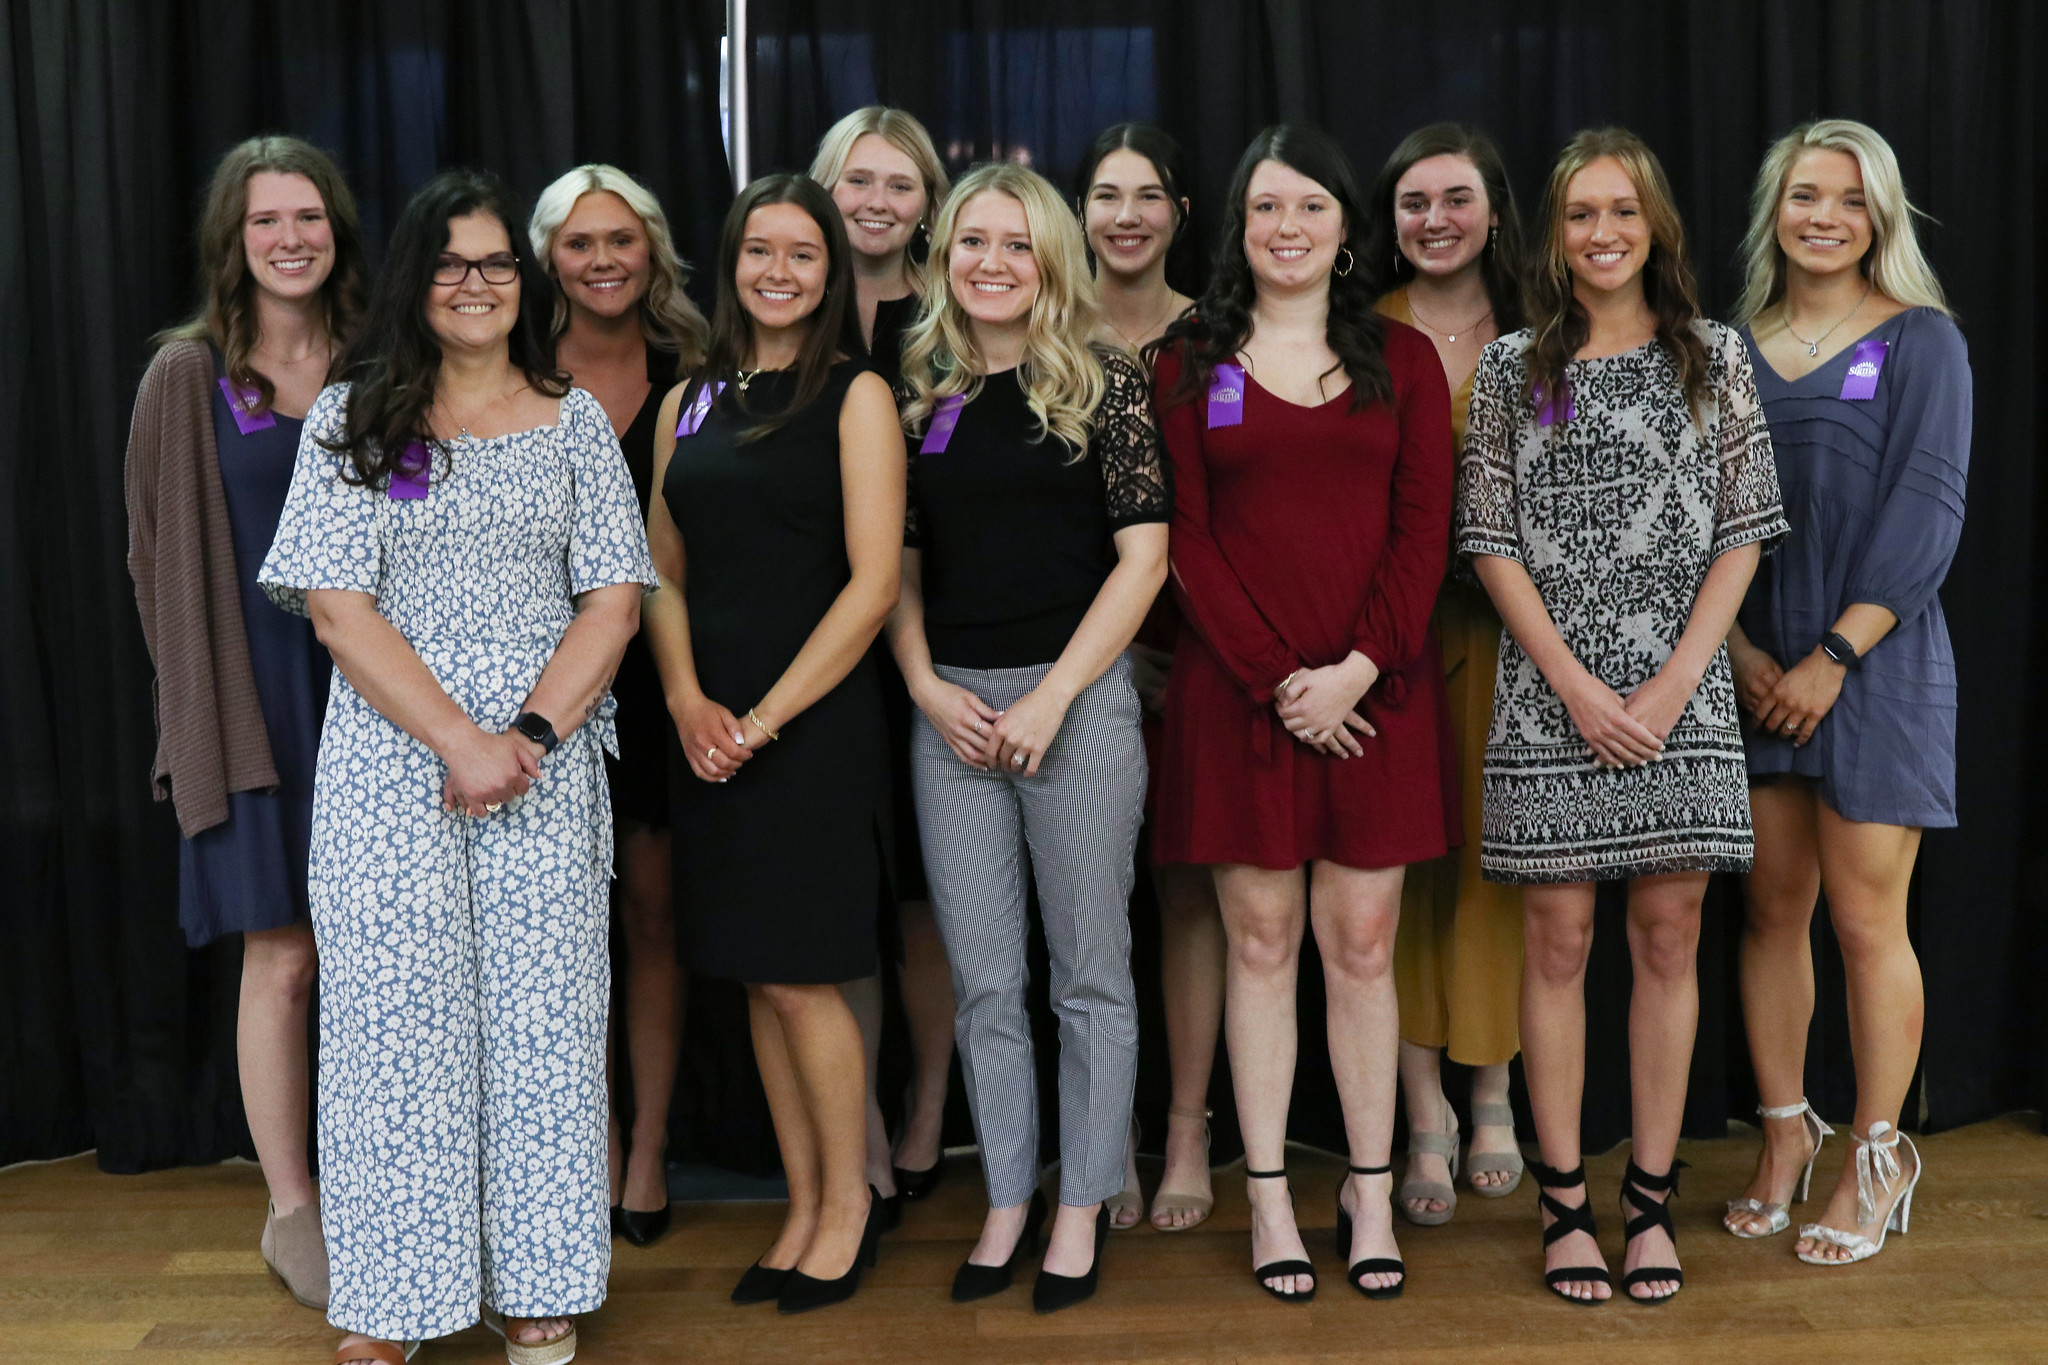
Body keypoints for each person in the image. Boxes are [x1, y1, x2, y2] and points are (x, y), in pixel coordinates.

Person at [258, 169, 655, 1365]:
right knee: (393, 1032)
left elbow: (615, 602)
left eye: (493, 264)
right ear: (414, 282)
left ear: (517, 282)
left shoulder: (572, 415)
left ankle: (538, 1287)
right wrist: (457, 740)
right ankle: (394, 1302)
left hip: (544, 763)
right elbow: (335, 608)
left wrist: (523, 739)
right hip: (390, 767)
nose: (474, 285)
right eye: (449, 265)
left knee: (542, 1031)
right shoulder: (351, 416)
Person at [1455, 128, 1787, 1306]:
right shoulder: (1508, 368)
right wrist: (1580, 690)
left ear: (1655, 229)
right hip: (1550, 701)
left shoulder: (1715, 357)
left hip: (1680, 699)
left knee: (1666, 937)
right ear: (1553, 232)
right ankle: (1561, 1207)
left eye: (1622, 214)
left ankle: (1645, 1205)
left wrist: (1667, 685)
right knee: (1555, 941)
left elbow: (1743, 528)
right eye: (1580, 214)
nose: (1601, 235)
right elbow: (1487, 541)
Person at [1149, 124, 1456, 1303]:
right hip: (1242, 702)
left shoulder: (1400, 359)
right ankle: (1270, 1193)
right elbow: (1185, 539)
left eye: (1311, 208)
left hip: (1376, 699)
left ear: (1344, 227)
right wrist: (1283, 679)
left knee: (1362, 948)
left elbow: (1421, 533)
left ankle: (1367, 1187)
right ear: (1238, 225)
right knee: (1259, 946)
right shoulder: (1189, 358)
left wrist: (1356, 670)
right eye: (1266, 208)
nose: (1286, 228)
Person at [891, 161, 1168, 1313]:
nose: (990, 262)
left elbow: (1144, 560)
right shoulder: (922, 392)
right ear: (944, 257)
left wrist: (1053, 695)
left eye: (1013, 243)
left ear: (1048, 259)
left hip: (1078, 704)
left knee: (1090, 977)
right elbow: (896, 568)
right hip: (950, 712)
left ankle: (1080, 1201)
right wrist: (920, 684)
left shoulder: (1105, 381)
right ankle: (1006, 1194)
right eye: (970, 242)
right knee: (986, 985)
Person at [643, 174, 905, 1315]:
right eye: (760, 251)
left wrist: (761, 718)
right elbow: (655, 566)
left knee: (806, 981)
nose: (779, 272)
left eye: (803, 254)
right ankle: (799, 1206)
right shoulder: (686, 399)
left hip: (808, 727)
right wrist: (688, 700)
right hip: (706, 729)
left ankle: (847, 1210)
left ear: (830, 269)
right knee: (756, 976)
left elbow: (871, 584)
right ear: (731, 260)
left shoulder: (853, 396)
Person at [124, 134, 366, 1315]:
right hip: (253, 697)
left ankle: (390, 1186)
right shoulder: (186, 374)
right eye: (267, 220)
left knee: (381, 957)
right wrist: (195, 715)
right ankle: (292, 1206)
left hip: (380, 697)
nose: (290, 239)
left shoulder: (385, 362)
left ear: (338, 231)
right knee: (284, 957)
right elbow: (152, 556)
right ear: (235, 237)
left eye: (309, 218)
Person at [1721, 119, 1965, 1265]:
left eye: (1849, 200)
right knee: (1771, 910)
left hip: (1872, 665)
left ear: (1880, 217)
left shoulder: (1921, 342)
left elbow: (1927, 514)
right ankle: (1784, 1138)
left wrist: (1832, 657)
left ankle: (1876, 1155)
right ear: (1773, 207)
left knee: (1867, 922)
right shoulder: (1726, 347)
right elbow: (1698, 521)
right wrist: (1739, 654)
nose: (1822, 217)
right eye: (1803, 195)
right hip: (1752, 667)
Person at [530, 163, 710, 1248]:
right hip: (535, 683)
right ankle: (583, 1136)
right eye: (579, 242)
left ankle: (646, 1148)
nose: (602, 261)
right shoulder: (507, 369)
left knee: (651, 915)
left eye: (621, 240)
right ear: (547, 256)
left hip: (661, 677)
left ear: (651, 250)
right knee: (557, 931)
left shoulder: (696, 370)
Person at [1363, 123, 1530, 1226]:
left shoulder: (1541, 331)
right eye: (1411, 201)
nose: (1432, 220)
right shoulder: (1354, 334)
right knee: (1400, 879)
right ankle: (1418, 1112)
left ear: (1490, 209)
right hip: (1387, 650)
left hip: (1522, 651)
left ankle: (1494, 1096)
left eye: (1454, 198)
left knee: (1505, 870)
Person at [807, 106, 957, 1207]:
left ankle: (926, 1110)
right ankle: (849, 1118)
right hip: (808, 637)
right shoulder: (783, 302)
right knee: (840, 898)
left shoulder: (951, 315)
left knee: (925, 898)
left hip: (934, 628)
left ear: (928, 202)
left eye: (899, 185)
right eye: (856, 179)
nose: (874, 201)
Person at [1073, 121, 1215, 1234]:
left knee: (1185, 894)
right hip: (1071, 652)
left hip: (1202, 649)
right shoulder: (1036, 330)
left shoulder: (1216, 339)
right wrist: (1114, 655)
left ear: (1178, 213)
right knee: (1087, 910)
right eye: (1105, 193)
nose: (1126, 214)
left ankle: (1183, 1131)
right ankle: (1099, 1132)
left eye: (1147, 195)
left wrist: (1194, 654)